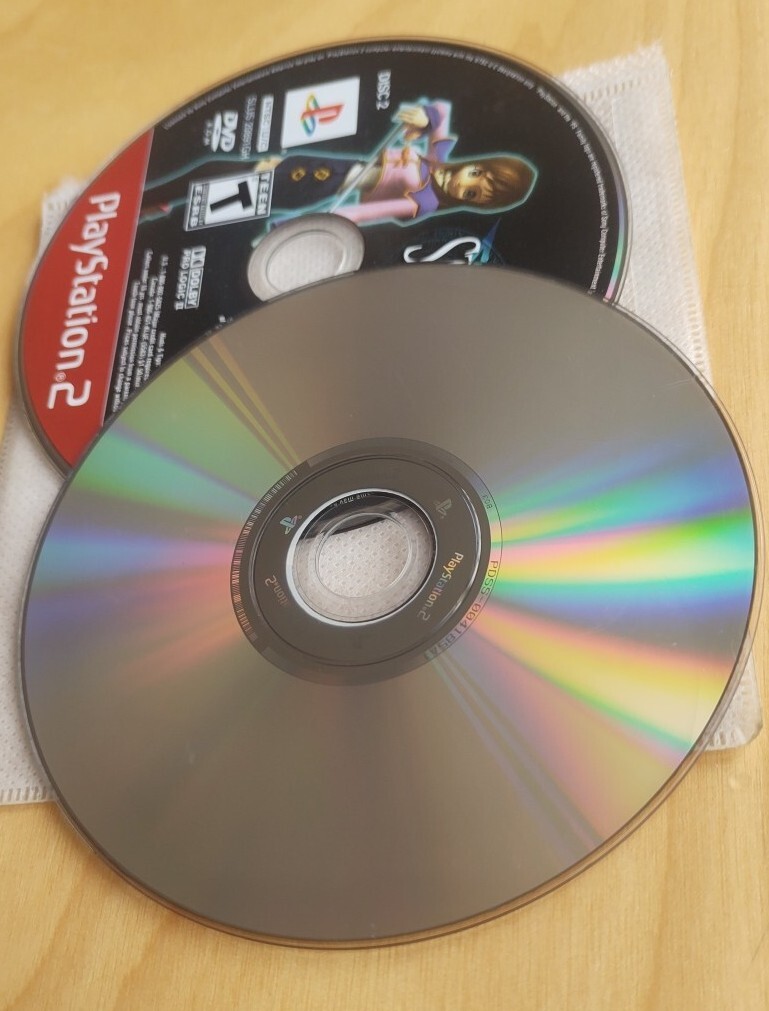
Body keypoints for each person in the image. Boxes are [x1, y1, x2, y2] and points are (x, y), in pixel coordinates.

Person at [259, 102, 537, 226]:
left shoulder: (424, 201)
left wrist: (294, 226)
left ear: (475, 204)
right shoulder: (437, 159)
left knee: (265, 189)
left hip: (329, 184)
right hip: (339, 164)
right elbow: (441, 110)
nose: (462, 182)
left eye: (471, 193)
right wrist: (426, 120)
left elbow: (359, 213)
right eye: (475, 172)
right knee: (271, 166)